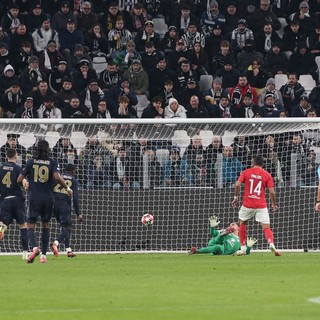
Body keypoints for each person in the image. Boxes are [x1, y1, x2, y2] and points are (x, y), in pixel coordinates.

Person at [17, 140, 73, 264]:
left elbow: (19, 179)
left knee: (30, 225)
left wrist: (25, 183)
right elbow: (57, 177)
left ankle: (34, 247)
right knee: (46, 225)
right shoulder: (52, 162)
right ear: (48, 149)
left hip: (34, 197)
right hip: (48, 198)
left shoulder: (31, 162)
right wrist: (67, 188)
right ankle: (43, 256)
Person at [231, 155, 281, 256]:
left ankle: (243, 248)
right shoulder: (267, 175)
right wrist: (274, 204)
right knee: (266, 227)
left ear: (253, 163)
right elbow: (272, 192)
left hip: (247, 204)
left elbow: (237, 185)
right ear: (263, 164)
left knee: (242, 223)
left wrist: (236, 197)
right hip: (261, 205)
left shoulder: (246, 172)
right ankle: (271, 243)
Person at [0, 149, 29, 260]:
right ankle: (25, 253)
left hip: (5, 201)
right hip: (17, 200)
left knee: (2, 224)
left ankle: (1, 229)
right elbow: (24, 183)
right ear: (16, 157)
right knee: (23, 226)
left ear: (6, 156)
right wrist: (26, 186)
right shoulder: (18, 168)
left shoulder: (0, 168)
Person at [51, 164, 84, 258]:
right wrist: (78, 214)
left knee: (64, 227)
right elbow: (75, 199)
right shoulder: (73, 180)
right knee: (68, 228)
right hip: (64, 205)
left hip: (53, 204)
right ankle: (55, 243)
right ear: (73, 171)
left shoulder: (58, 177)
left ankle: (68, 250)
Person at [189, 215, 257, 255]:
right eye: (230, 225)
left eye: (233, 224)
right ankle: (197, 251)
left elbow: (246, 252)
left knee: (218, 247)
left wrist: (249, 247)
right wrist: (212, 227)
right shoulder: (226, 232)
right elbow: (213, 233)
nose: (231, 226)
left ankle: (196, 251)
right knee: (222, 236)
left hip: (222, 250)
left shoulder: (240, 240)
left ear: (238, 228)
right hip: (215, 242)